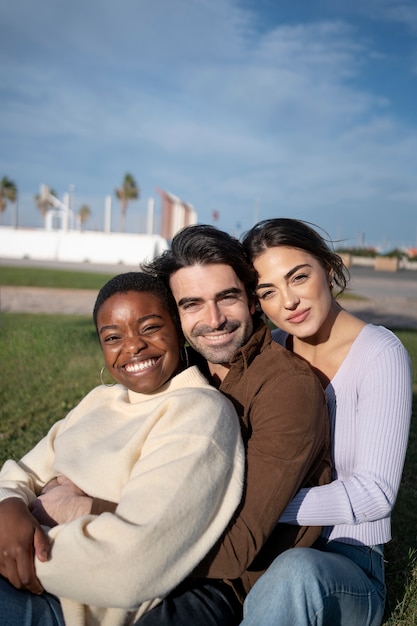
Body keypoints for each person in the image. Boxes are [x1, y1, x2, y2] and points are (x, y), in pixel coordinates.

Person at [0, 272, 245, 626]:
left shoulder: (197, 412)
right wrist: (9, 506)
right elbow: (21, 474)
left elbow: (133, 563)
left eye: (149, 328)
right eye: (113, 337)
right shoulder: (99, 401)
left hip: (69, 606)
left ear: (178, 329)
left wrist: (21, 548)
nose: (132, 346)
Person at [128, 224, 331, 624]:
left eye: (227, 297)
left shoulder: (287, 386)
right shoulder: (175, 372)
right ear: (176, 313)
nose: (214, 319)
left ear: (253, 302)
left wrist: (98, 533)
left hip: (224, 585)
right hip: (135, 553)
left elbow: (239, 546)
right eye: (193, 304)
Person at [240, 217, 412, 626]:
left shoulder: (380, 353)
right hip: (268, 542)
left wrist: (261, 507)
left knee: (296, 574)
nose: (288, 302)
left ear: (329, 269)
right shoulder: (274, 350)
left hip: (346, 559)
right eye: (268, 291)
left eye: (298, 277)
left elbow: (375, 494)